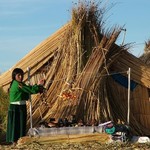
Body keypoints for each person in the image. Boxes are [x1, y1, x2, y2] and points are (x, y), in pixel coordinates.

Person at [6, 68, 45, 145]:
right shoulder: (17, 84)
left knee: (21, 124)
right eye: (18, 75)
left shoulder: (20, 83)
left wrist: (37, 86)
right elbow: (30, 90)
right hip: (15, 108)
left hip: (21, 107)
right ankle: (14, 142)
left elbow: (28, 90)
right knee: (15, 125)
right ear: (14, 76)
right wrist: (39, 86)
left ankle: (20, 141)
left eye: (22, 75)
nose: (21, 77)